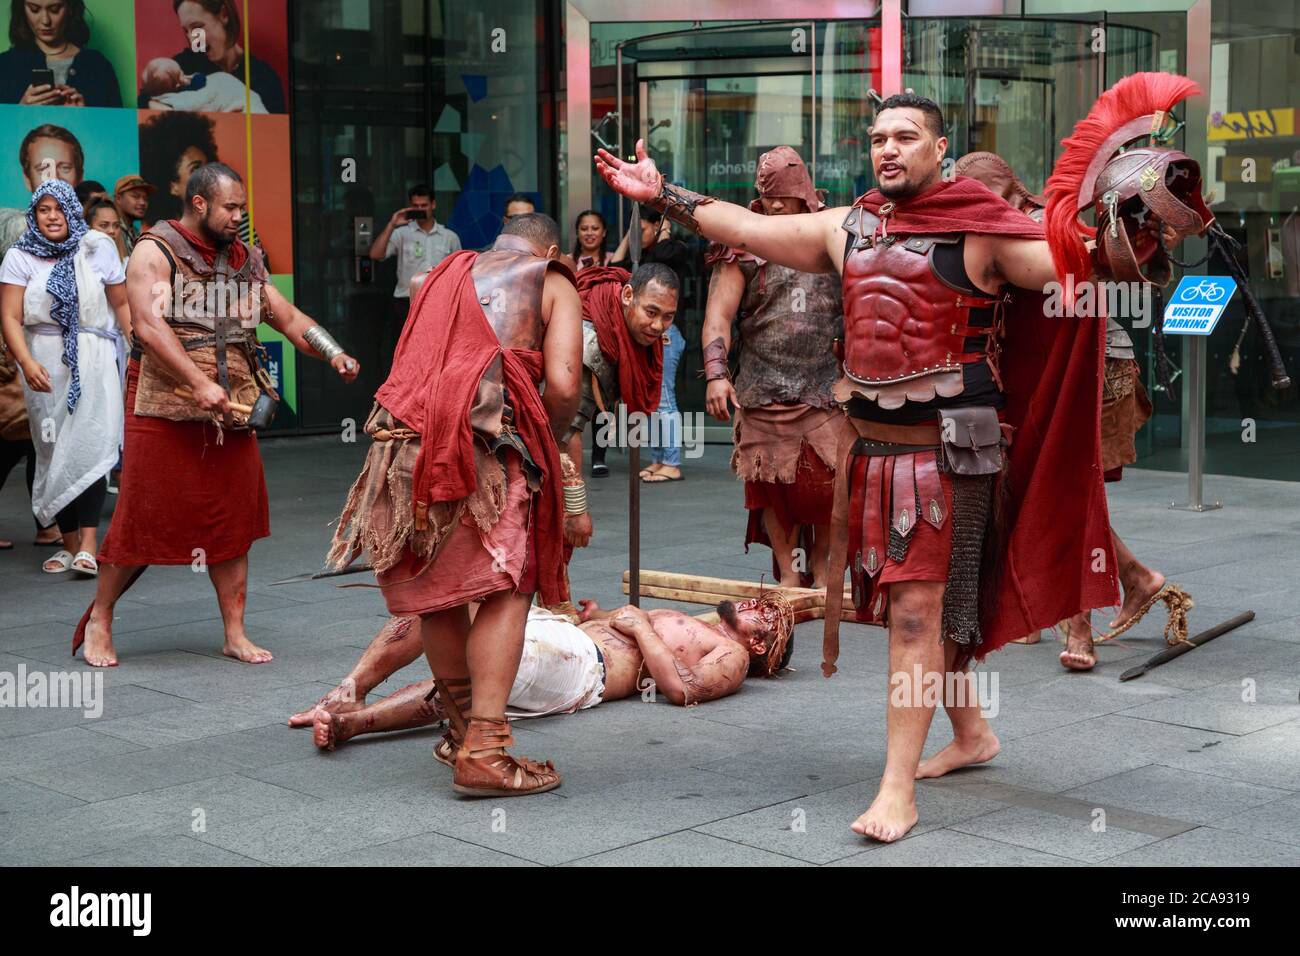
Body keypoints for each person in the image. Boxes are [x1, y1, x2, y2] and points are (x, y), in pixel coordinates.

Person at [595, 76, 1211, 842]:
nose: (888, 150)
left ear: (940, 148)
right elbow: (749, 231)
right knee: (925, 611)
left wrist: (1139, 224)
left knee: (916, 618)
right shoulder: (847, 227)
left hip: (955, 456)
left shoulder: (985, 231)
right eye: (880, 139)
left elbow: (1083, 267)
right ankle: (974, 735)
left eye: (906, 137)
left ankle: (895, 791)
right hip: (875, 455)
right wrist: (664, 194)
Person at [327, 212, 583, 798]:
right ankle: (487, 751)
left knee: (438, 593)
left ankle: (465, 731)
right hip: (487, 446)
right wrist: (550, 440)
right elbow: (565, 384)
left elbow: (417, 367)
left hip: (401, 449)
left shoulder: (438, 274)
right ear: (551, 247)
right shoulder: (549, 277)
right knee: (506, 586)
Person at [72, 162, 360, 667]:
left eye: (242, 207)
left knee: (233, 522)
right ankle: (101, 617)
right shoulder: (154, 250)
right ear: (200, 203)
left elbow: (288, 318)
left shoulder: (246, 258)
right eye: (230, 207)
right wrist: (198, 381)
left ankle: (234, 632)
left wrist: (333, 351)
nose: (238, 216)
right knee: (143, 517)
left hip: (233, 410)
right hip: (162, 408)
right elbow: (147, 325)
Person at [952, 152, 1193, 671]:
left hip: (1094, 374)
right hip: (1056, 380)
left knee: (1064, 489)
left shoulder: (1044, 225)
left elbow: (1106, 264)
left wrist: (1147, 234)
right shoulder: (1008, 226)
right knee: (1047, 486)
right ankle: (1130, 580)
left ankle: (1078, 622)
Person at [288, 593, 794, 751]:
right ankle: (347, 692)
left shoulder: (733, 658)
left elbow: (683, 691)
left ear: (760, 645)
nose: (755, 602)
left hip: (586, 670)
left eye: (765, 613)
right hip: (571, 638)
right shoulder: (702, 626)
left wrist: (641, 629)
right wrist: (591, 614)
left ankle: (354, 723)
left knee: (474, 678)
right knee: (439, 606)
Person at [703, 147, 846, 585]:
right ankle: (788, 575)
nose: (776, 206)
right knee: (768, 487)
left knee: (827, 486)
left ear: (805, 192)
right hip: (761, 386)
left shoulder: (836, 233)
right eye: (768, 199)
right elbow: (717, 316)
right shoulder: (742, 246)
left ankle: (821, 572)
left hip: (824, 385)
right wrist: (715, 373)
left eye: (785, 197)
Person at [0, 180, 131, 576]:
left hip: (93, 356)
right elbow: (9, 316)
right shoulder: (20, 256)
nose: (53, 216)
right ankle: (69, 545)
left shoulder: (97, 246)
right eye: (43, 209)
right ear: (34, 215)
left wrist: (137, 342)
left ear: (72, 209)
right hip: (43, 361)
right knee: (54, 450)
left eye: (59, 208)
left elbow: (120, 302)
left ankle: (90, 545)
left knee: (91, 444)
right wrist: (26, 361)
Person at [566, 263, 675, 498]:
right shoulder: (594, 338)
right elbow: (565, 431)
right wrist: (575, 507)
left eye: (668, 317)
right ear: (627, 296)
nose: (658, 326)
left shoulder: (629, 328)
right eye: (651, 312)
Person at [367, 184, 460, 375]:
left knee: (436, 353)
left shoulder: (449, 237)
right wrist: (392, 224)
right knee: (404, 355)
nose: (420, 210)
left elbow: (459, 273)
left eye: (423, 205)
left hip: (438, 304)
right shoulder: (402, 233)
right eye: (415, 206)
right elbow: (376, 254)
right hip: (405, 303)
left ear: (433, 205)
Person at [153, 0, 285, 113]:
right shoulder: (183, 66)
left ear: (224, 15)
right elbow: (143, 103)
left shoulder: (263, 78)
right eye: (186, 31)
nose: (193, 41)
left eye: (197, 27)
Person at [0, 0, 122, 107]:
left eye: (55, 9)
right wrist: (18, 110)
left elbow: (118, 128)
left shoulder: (98, 65)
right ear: (22, 9)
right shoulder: (5, 65)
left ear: (70, 8)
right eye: (34, 9)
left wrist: (86, 117)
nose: (45, 20)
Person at [138, 111, 218, 227]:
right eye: (195, 168)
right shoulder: (162, 238)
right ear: (173, 187)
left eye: (208, 167)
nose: (207, 176)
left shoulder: (232, 216)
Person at [112, 175, 153, 255]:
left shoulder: (135, 232)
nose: (142, 203)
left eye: (145, 198)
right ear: (118, 199)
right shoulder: (111, 230)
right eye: (135, 196)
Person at [84, 198, 128, 263]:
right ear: (88, 227)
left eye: (116, 226)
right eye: (104, 225)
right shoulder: (79, 262)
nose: (112, 231)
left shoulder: (127, 264)